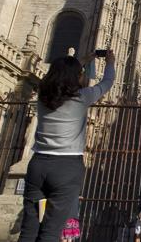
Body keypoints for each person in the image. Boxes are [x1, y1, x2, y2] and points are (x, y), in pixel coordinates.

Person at [18, 50, 115, 242]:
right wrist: (110, 62)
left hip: (38, 167)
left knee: (30, 228)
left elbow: (55, 76)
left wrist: (82, 61)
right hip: (65, 171)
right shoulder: (81, 97)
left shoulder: (43, 95)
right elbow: (107, 82)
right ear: (76, 76)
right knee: (51, 232)